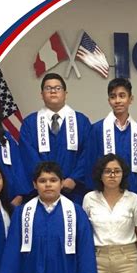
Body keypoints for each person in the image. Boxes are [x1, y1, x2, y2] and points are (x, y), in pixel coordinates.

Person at [19, 73, 92, 204]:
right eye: (48, 88)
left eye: (57, 88)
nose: (53, 91)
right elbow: (28, 156)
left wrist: (74, 179)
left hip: (74, 192)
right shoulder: (30, 123)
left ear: (65, 93)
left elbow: (87, 154)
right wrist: (46, 180)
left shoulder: (81, 121)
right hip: (41, 192)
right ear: (41, 94)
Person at [88, 78, 137, 196]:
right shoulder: (97, 129)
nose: (117, 101)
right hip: (104, 194)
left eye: (122, 96)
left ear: (131, 99)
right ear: (109, 101)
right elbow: (91, 164)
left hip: (133, 192)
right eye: (113, 97)